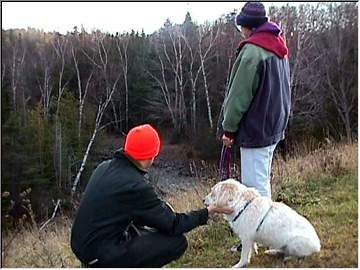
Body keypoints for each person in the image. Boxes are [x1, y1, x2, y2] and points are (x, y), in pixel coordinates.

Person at [71, 124, 233, 268]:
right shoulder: (135, 185)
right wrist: (208, 211)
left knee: (145, 229)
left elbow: (137, 214)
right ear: (151, 155)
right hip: (100, 255)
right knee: (176, 242)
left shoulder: (105, 166)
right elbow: (173, 224)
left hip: (83, 246)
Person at [222, 2, 291, 198]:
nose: (241, 31)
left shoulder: (252, 51)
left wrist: (229, 129)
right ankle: (265, 226)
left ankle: (261, 228)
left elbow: (238, 95)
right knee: (262, 182)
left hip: (256, 129)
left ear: (248, 26)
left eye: (241, 27)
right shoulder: (278, 45)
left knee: (255, 191)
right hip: (274, 124)